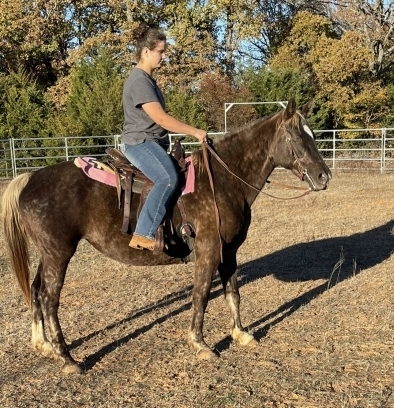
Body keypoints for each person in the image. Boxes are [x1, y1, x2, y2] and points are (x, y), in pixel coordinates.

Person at [121, 25, 207, 251]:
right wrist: (195, 131)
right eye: (161, 51)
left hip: (151, 141)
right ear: (146, 52)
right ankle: (143, 232)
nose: (164, 56)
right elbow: (161, 118)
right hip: (140, 142)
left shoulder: (147, 80)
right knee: (168, 178)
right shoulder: (140, 81)